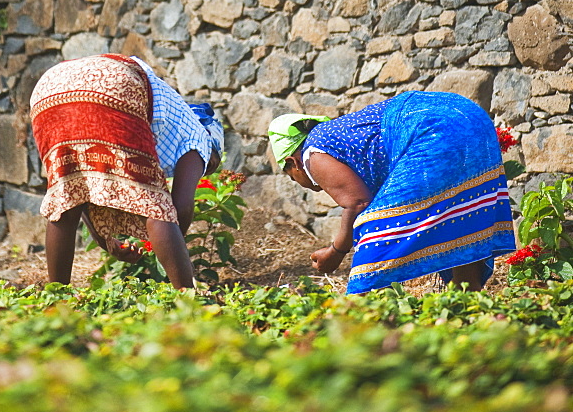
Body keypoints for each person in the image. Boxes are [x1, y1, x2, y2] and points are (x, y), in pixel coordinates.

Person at [267, 90, 516, 293]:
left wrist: (336, 252)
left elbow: (357, 203)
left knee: (374, 229)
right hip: (470, 117)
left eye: (291, 177)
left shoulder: (312, 153)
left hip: (432, 129)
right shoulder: (336, 135)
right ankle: (467, 305)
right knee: (462, 220)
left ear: (294, 162)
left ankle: (352, 322)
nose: (298, 181)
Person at [29, 52, 223, 289]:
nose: (207, 168)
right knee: (157, 207)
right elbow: (179, 207)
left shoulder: (170, 120)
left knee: (67, 198)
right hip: (115, 83)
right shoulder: (200, 137)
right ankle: (187, 303)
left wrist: (107, 242)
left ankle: (56, 300)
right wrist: (168, 248)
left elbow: (85, 191)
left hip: (50, 87)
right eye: (211, 164)